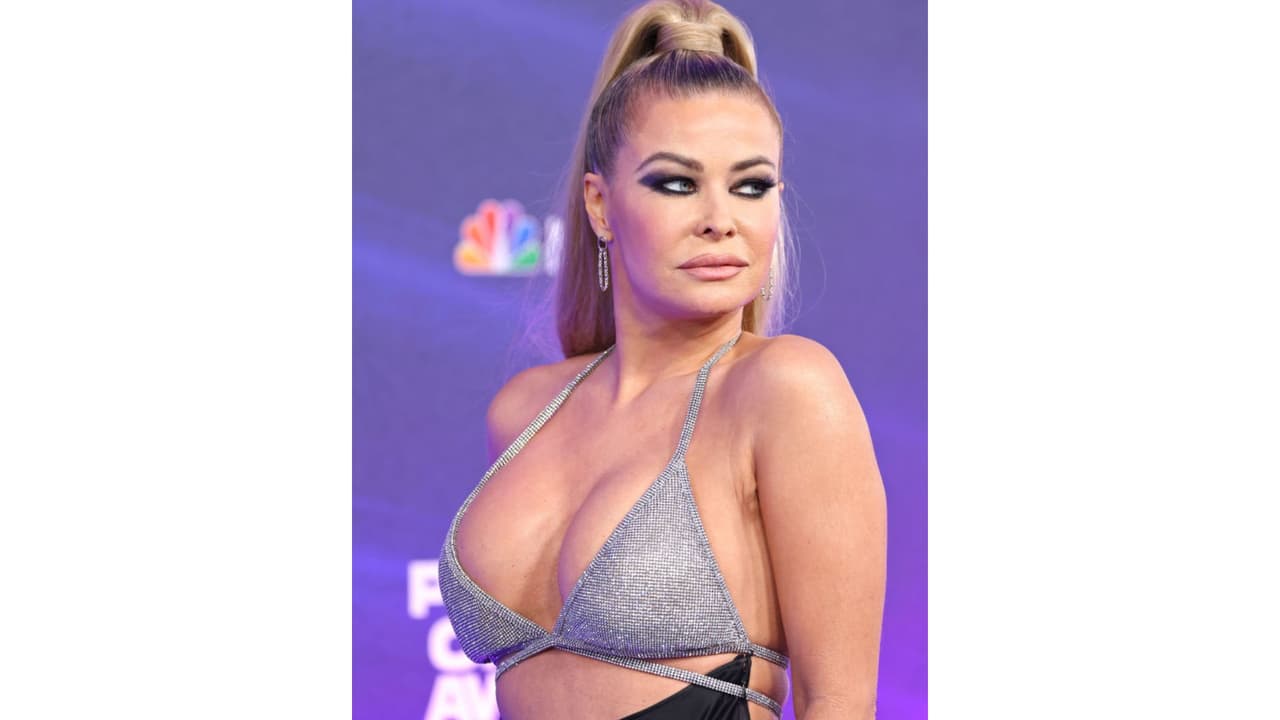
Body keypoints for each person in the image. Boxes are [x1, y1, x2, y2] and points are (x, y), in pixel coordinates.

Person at [438, 1, 886, 718]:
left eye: (751, 185)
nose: (720, 219)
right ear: (600, 205)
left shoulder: (786, 389)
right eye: (677, 183)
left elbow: (839, 701)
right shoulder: (523, 411)